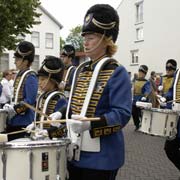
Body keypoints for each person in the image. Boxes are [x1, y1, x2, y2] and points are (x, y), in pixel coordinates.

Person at [50, 4, 132, 180]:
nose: (85, 42)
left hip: (102, 158)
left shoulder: (117, 71)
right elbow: (73, 103)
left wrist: (91, 124)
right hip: (76, 152)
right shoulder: (81, 69)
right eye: (85, 36)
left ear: (107, 38)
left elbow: (122, 115)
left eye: (91, 36)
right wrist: (60, 113)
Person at [3, 41, 38, 141]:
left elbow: (29, 101)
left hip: (24, 122)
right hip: (14, 121)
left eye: (18, 59)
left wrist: (15, 109)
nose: (15, 62)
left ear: (26, 61)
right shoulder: (20, 75)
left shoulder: (31, 76)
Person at [26, 56, 67, 139]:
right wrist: (34, 124)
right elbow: (39, 117)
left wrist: (48, 132)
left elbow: (62, 129)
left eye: (43, 79)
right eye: (39, 79)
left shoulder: (60, 99)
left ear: (53, 80)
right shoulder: (42, 97)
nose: (39, 83)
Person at [164, 68, 180, 171]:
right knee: (169, 149)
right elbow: (172, 90)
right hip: (177, 119)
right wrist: (165, 98)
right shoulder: (178, 72)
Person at [132, 65, 150, 130]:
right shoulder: (135, 80)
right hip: (135, 99)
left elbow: (148, 90)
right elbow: (133, 88)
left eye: (142, 73)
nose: (140, 74)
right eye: (139, 72)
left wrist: (145, 96)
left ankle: (143, 125)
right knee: (133, 112)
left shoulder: (146, 82)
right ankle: (137, 124)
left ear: (145, 74)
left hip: (142, 99)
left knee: (141, 113)